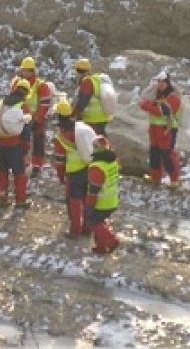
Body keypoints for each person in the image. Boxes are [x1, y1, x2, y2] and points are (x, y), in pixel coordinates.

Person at [52, 100, 91, 238]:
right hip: (88, 168)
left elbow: (59, 160)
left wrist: (61, 176)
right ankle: (87, 228)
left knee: (74, 202)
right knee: (87, 199)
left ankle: (75, 230)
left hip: (74, 173)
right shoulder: (80, 128)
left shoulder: (61, 136)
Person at [0, 78, 32, 209]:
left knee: (2, 171)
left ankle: (2, 198)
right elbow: (26, 128)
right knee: (19, 172)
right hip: (14, 143)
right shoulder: (22, 106)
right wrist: (26, 146)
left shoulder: (3, 102)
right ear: (26, 93)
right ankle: (20, 200)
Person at [139, 71, 181, 188]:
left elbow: (162, 111)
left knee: (168, 155)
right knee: (154, 154)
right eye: (159, 81)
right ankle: (155, 176)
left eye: (163, 82)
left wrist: (147, 106)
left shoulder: (173, 97)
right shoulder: (156, 94)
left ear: (168, 83)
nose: (160, 84)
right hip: (154, 129)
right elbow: (145, 104)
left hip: (167, 129)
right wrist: (148, 106)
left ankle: (174, 179)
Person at [11, 57, 52, 178]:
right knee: (21, 143)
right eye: (25, 70)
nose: (27, 73)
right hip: (21, 119)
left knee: (38, 143)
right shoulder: (16, 83)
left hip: (36, 119)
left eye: (29, 70)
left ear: (34, 71)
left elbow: (45, 105)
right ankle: (21, 163)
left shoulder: (41, 85)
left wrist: (38, 119)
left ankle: (37, 165)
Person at [84, 135, 120, 254]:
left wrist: (89, 206)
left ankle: (111, 241)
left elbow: (93, 191)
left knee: (93, 222)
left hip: (101, 203)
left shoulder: (97, 167)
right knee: (100, 222)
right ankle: (101, 248)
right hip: (112, 199)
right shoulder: (113, 162)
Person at [71, 58, 110, 136]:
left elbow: (82, 103)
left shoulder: (87, 83)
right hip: (102, 118)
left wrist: (72, 115)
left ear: (79, 72)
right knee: (102, 142)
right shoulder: (96, 79)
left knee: (95, 144)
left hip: (93, 120)